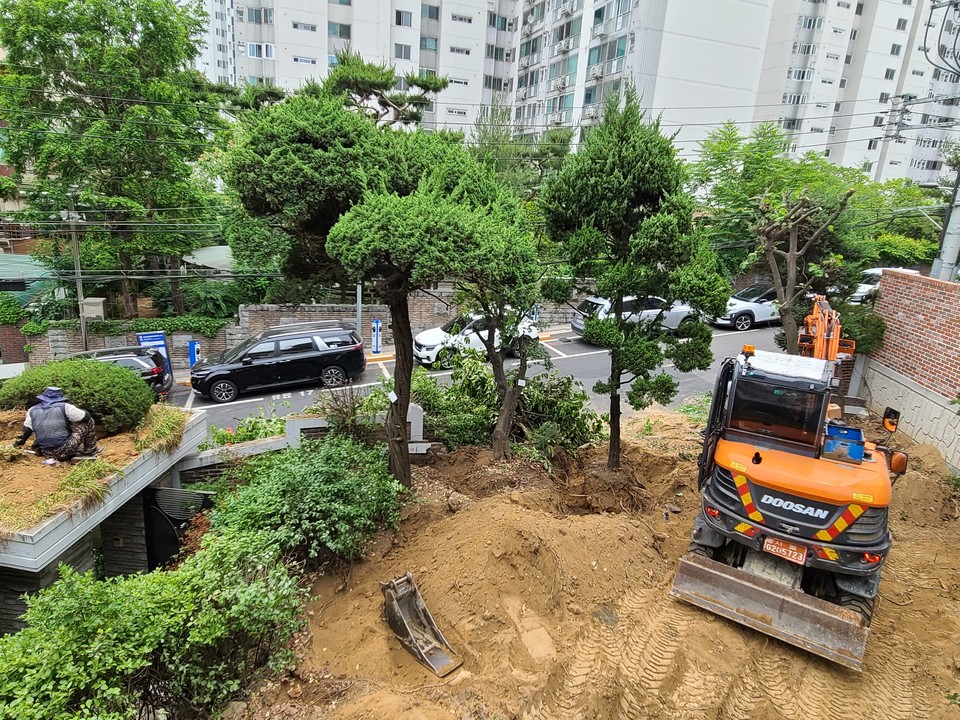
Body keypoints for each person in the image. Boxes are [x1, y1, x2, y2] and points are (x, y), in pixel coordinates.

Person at [13, 387, 100, 461]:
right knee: (89, 421)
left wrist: (16, 445)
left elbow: (25, 432)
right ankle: (90, 452)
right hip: (65, 450)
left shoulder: (32, 410)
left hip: (45, 451)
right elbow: (86, 416)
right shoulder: (65, 407)